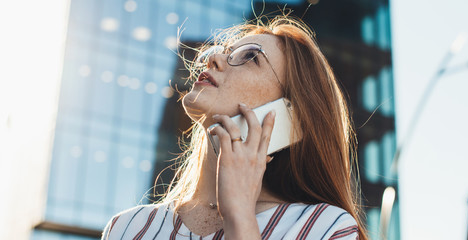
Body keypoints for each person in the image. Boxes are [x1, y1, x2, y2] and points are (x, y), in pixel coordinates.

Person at [101, 15, 369, 240]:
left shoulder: (325, 228)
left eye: (250, 57)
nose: (215, 58)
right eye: (224, 51)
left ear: (289, 119)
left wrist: (239, 215)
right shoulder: (127, 228)